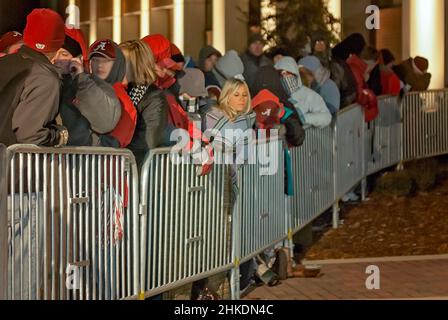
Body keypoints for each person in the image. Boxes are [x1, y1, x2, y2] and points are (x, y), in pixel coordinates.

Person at [0, 8, 68, 147]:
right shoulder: (44, 78)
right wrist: (59, 136)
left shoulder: (4, 63)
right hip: (14, 165)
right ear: (58, 44)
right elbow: (30, 135)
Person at [56, 32, 122, 147]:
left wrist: (81, 79)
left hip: (80, 160)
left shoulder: (93, 84)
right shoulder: (42, 80)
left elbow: (106, 122)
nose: (56, 59)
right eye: (53, 52)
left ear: (78, 58)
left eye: (64, 54)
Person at [119, 40, 168, 165]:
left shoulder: (153, 97)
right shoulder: (115, 89)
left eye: (122, 62)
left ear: (138, 65)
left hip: (133, 168)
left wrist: (117, 156)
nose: (116, 65)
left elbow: (147, 142)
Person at [89, 39, 137, 148]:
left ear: (117, 64)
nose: (100, 65)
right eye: (95, 60)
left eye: (106, 61)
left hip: (104, 161)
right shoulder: (86, 89)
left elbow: (115, 141)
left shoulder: (122, 98)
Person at [274, 57, 332, 128]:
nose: (284, 77)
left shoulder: (307, 94)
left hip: (308, 138)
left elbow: (326, 117)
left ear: (294, 73)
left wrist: (304, 118)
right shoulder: (273, 95)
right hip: (283, 138)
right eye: (280, 74)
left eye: (286, 73)